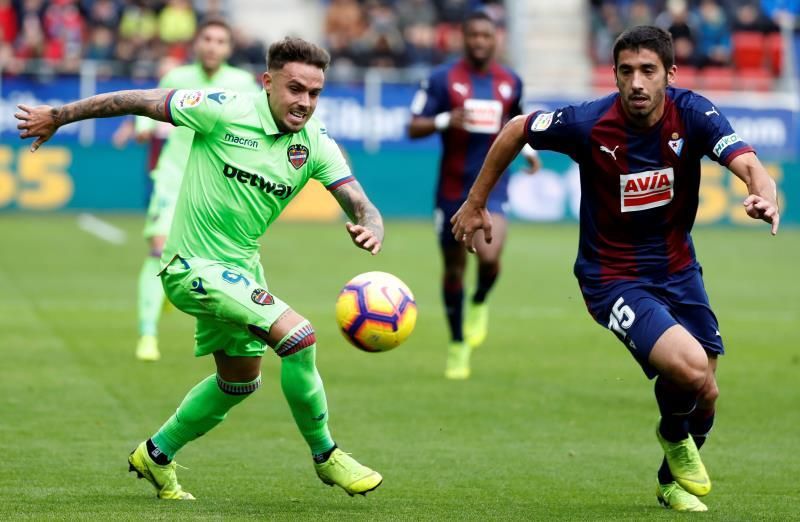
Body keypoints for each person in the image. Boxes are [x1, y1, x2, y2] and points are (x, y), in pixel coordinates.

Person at [16, 36, 385, 500]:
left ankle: (155, 455)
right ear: (267, 82)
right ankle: (326, 456)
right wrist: (59, 115)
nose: (305, 102)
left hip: (241, 272)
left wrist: (371, 226)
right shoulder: (223, 109)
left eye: (314, 93)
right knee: (299, 337)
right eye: (295, 89)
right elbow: (138, 100)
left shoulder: (315, 143)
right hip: (190, 266)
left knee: (239, 381)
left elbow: (359, 201)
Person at [451, 26, 779, 512]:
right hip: (613, 277)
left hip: (678, 269)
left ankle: (671, 481)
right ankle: (672, 435)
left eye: (648, 70)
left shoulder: (693, 113)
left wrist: (763, 195)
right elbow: (517, 128)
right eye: (626, 71)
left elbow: (749, 163)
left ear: (670, 73)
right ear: (615, 74)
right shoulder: (588, 123)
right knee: (689, 370)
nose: (637, 83)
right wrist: (476, 203)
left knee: (706, 391)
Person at [407, 10, 540, 380]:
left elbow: (516, 123)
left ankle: (479, 299)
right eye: (473, 35)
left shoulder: (510, 81)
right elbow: (412, 126)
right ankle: (457, 344)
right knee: (453, 267)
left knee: (490, 254)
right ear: (463, 38)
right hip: (451, 189)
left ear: (496, 38)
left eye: (487, 35)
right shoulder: (441, 79)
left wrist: (528, 151)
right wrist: (446, 119)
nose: (480, 41)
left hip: (493, 187)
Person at [129, 19, 260, 362]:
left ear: (229, 48)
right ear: (197, 43)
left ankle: (232, 340)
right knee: (157, 249)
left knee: (219, 261)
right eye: (208, 39)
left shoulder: (242, 83)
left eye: (220, 40)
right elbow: (149, 108)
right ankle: (147, 334)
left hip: (215, 186)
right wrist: (142, 126)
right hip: (173, 177)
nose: (213, 46)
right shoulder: (177, 78)